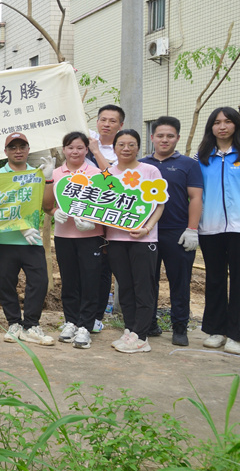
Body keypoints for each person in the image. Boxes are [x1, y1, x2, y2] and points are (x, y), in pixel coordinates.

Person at [196, 107, 240, 356]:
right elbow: (196, 194)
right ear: (210, 127)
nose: (222, 126)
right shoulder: (202, 155)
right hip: (210, 227)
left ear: (236, 124)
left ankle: (237, 334)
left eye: (227, 122)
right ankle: (216, 330)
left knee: (239, 279)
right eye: (216, 122)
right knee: (214, 279)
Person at [140, 116, 203, 347]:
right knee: (148, 280)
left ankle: (179, 327)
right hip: (146, 231)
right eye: (160, 135)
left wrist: (192, 229)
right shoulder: (142, 165)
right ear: (152, 137)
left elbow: (196, 197)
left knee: (180, 281)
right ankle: (149, 323)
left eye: (170, 136)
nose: (164, 140)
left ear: (177, 137)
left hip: (177, 231)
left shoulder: (188, 164)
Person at [0, 133, 55, 346]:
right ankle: (13, 323)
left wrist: (48, 179)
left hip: (32, 240)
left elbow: (47, 206)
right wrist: (20, 226)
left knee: (39, 282)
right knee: (6, 283)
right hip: (4, 241)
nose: (18, 150)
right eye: (13, 147)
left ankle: (31, 325)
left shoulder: (36, 174)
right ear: (6, 151)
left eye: (22, 146)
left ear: (28, 150)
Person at [106, 130, 166, 354]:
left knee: (143, 286)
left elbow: (159, 204)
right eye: (121, 144)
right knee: (126, 287)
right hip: (115, 239)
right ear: (114, 148)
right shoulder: (107, 174)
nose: (126, 148)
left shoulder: (150, 171)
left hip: (144, 239)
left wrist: (147, 228)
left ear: (139, 147)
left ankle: (142, 336)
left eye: (131, 144)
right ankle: (130, 330)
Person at [43, 131, 103, 350]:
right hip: (63, 236)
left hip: (90, 236)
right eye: (70, 147)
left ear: (86, 150)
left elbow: (105, 205)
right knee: (69, 281)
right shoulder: (56, 173)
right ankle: (70, 321)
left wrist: (93, 222)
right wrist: (53, 211)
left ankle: (86, 326)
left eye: (79, 147)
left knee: (90, 281)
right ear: (63, 150)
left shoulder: (96, 173)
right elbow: (47, 204)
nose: (75, 151)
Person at [86, 104, 125, 330]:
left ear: (120, 125)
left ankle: (97, 318)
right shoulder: (88, 139)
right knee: (84, 269)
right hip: (83, 218)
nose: (106, 124)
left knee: (103, 270)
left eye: (112, 121)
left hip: (110, 218)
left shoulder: (122, 148)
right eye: (103, 119)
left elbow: (114, 177)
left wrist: (97, 151)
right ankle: (80, 316)